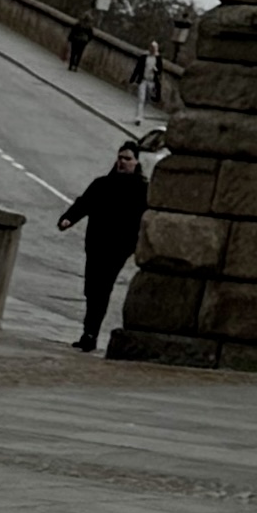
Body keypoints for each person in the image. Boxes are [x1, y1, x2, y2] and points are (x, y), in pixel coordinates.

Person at [57, 137, 153, 353]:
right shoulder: (102, 184)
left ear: (136, 162)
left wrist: (137, 245)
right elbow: (84, 203)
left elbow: (146, 220)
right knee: (91, 288)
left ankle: (91, 334)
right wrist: (68, 219)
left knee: (102, 288)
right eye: (120, 158)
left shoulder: (142, 190)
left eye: (127, 159)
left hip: (118, 249)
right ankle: (88, 332)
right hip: (95, 245)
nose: (122, 162)